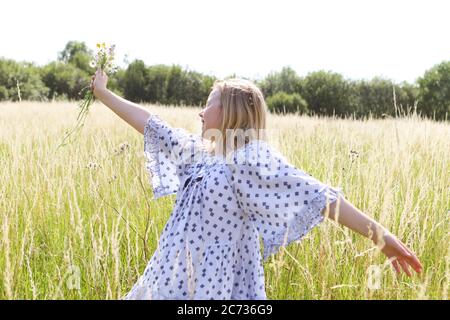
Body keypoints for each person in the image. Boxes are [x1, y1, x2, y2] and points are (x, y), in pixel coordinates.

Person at [90, 69, 422, 300]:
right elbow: (152, 125)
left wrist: (382, 237)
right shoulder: (199, 154)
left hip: (215, 287)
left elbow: (319, 196)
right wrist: (103, 93)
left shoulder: (251, 159)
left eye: (209, 102)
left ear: (231, 111)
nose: (200, 112)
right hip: (170, 277)